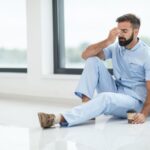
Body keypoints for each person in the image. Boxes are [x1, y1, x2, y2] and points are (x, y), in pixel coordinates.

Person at [38, 13, 150, 128]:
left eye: (124, 31)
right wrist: (108, 41)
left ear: (136, 32)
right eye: (118, 31)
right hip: (117, 91)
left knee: (106, 97)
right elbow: (85, 55)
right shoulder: (117, 47)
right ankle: (86, 107)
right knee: (93, 60)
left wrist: (144, 114)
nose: (120, 35)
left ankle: (57, 118)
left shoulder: (146, 54)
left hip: (135, 102)